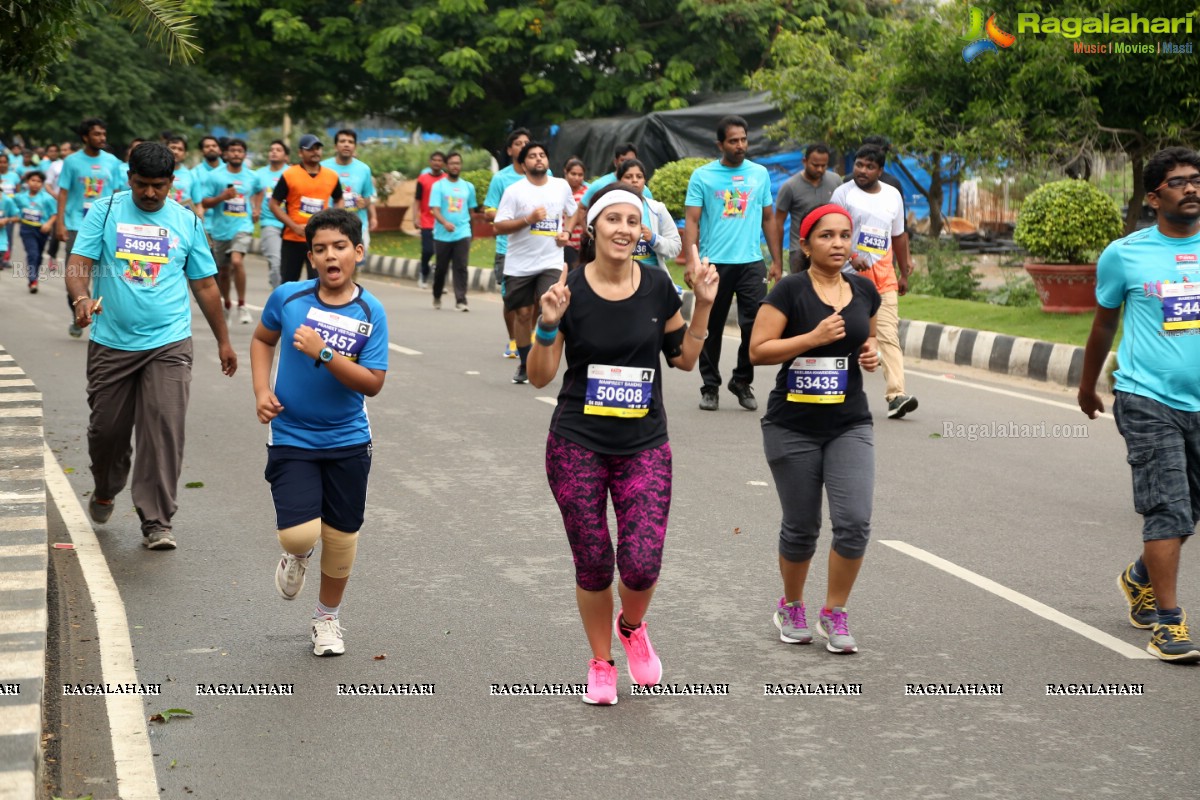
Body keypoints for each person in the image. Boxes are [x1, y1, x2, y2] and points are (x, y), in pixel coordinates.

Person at [527, 184, 719, 704]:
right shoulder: (568, 290)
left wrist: (701, 306)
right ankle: (601, 662)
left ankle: (632, 627)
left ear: (642, 232)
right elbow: (541, 377)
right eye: (612, 219)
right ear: (593, 229)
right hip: (576, 444)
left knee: (641, 562)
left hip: (644, 444)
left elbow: (681, 358)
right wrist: (547, 325)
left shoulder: (657, 285)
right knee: (593, 561)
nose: (622, 229)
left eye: (632, 222)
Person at [63, 142, 237, 550]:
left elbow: (206, 284)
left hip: (169, 342)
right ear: (130, 179)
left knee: (163, 428)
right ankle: (106, 486)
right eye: (142, 185)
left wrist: (224, 341)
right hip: (111, 342)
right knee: (107, 431)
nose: (149, 194)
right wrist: (81, 299)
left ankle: (157, 520)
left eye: (158, 186)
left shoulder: (186, 221)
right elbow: (78, 264)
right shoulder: (104, 211)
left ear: (172, 183)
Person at [1078, 146, 1200, 663]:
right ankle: (1169, 625)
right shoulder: (1124, 254)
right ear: (1154, 197)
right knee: (1167, 508)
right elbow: (1104, 323)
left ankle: (1139, 577)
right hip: (1147, 397)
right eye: (1179, 182)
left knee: (1190, 509)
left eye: (1197, 179)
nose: (1192, 188)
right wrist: (1088, 386)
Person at [250, 208, 388, 657]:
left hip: (348, 437)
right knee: (299, 535)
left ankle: (327, 618)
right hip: (291, 433)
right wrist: (259, 391)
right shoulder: (288, 298)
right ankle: (296, 557)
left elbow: (373, 382)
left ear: (358, 252)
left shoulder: (371, 311)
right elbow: (261, 340)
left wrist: (325, 352)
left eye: (340, 247)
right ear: (311, 257)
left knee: (342, 536)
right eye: (322, 249)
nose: (331, 255)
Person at [749, 203, 880, 655]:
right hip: (792, 426)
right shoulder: (789, 290)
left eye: (845, 235)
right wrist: (812, 339)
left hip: (849, 422)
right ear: (805, 244)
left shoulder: (864, 290)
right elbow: (758, 351)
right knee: (803, 526)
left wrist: (870, 353)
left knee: (855, 523)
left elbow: (867, 336)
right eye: (826, 236)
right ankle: (791, 605)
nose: (838, 244)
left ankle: (835, 612)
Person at [682, 114, 783, 412]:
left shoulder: (759, 174)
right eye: (733, 141)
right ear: (720, 144)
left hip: (752, 263)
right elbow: (692, 220)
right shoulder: (703, 176)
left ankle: (741, 380)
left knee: (754, 326)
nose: (740, 145)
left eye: (743, 140)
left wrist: (776, 260)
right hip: (714, 264)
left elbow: (768, 218)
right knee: (710, 325)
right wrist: (692, 260)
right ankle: (710, 385)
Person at [829, 144, 916, 419]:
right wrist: (851, 255)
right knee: (841, 334)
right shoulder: (842, 194)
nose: (862, 171)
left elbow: (898, 235)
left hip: (883, 278)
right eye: (859, 164)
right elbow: (831, 231)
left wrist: (903, 271)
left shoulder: (892, 195)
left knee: (888, 334)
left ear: (880, 171)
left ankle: (896, 395)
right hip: (847, 278)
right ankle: (831, 389)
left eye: (869, 167)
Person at [493, 140, 577, 384]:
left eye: (542, 155)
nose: (538, 159)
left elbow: (573, 212)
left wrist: (567, 233)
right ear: (523, 163)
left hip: (551, 260)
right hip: (519, 264)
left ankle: (546, 357)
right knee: (522, 313)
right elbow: (499, 226)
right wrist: (527, 219)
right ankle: (525, 362)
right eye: (532, 156)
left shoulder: (560, 186)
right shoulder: (515, 191)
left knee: (547, 305)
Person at [55, 118, 123, 337]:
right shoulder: (72, 162)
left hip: (106, 227)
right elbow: (63, 193)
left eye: (104, 134)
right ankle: (79, 310)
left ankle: (105, 321)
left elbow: (118, 194)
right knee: (74, 274)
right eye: (97, 134)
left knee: (109, 275)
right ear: (85, 137)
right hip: (77, 225)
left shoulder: (112, 161)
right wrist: (60, 222)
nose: (102, 138)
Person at [200, 138, 262, 324]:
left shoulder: (252, 176)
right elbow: (205, 202)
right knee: (224, 272)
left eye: (240, 150)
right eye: (232, 150)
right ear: (225, 154)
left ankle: (242, 305)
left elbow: (259, 190)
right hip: (221, 229)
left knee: (237, 261)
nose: (236, 154)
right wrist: (223, 197)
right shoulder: (216, 176)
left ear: (244, 154)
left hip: (243, 226)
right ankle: (227, 304)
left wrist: (256, 208)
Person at [269, 134, 343, 283]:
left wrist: (335, 219)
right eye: (310, 149)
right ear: (300, 153)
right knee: (289, 283)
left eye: (318, 148)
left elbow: (339, 199)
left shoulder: (331, 176)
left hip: (320, 240)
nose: (315, 152)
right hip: (293, 239)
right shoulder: (290, 174)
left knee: (319, 282)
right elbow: (273, 204)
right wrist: (294, 226)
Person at [485, 128, 533, 359]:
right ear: (510, 150)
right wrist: (513, 219)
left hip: (537, 247)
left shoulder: (544, 174)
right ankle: (513, 339)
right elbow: (489, 211)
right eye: (518, 143)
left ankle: (529, 335)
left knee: (538, 298)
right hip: (508, 247)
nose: (523, 146)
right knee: (512, 299)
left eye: (527, 142)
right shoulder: (501, 178)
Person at [775, 143, 841, 273]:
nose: (820, 169)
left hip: (829, 248)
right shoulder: (790, 187)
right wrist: (777, 261)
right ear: (804, 162)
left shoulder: (836, 181)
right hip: (801, 252)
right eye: (815, 165)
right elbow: (778, 223)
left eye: (824, 165)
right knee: (802, 291)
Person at [614, 158, 681, 276]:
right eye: (629, 177)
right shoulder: (610, 210)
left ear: (644, 180)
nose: (634, 180)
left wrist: (653, 239)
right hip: (618, 279)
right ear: (619, 180)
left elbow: (675, 247)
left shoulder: (657, 209)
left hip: (652, 281)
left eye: (639, 176)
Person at [428, 152, 477, 311]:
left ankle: (461, 300)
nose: (455, 166)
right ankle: (437, 295)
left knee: (461, 266)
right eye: (452, 163)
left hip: (463, 232)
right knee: (441, 268)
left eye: (458, 163)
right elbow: (434, 210)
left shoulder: (468, 186)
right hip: (442, 235)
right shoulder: (439, 186)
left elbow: (471, 211)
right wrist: (445, 223)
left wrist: (472, 231)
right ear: (446, 166)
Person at [321, 129, 377, 264]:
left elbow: (369, 197)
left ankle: (350, 285)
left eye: (350, 142)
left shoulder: (364, 169)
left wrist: (366, 204)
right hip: (328, 224)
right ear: (335, 146)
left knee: (355, 264)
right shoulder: (323, 167)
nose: (346, 144)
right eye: (342, 141)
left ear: (355, 147)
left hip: (356, 224)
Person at [14, 170, 58, 292]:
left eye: (39, 181)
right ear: (27, 182)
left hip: (42, 231)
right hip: (27, 229)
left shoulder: (47, 199)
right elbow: (13, 208)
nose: (35, 184)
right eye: (33, 180)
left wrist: (48, 224)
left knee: (38, 255)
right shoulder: (20, 197)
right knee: (32, 253)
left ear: (42, 184)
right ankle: (32, 279)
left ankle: (35, 277)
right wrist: (15, 217)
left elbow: (55, 213)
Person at [255, 139, 290, 289]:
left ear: (286, 156)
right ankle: (279, 295)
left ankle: (278, 283)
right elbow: (252, 193)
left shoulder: (292, 173)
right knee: (276, 262)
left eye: (278, 149)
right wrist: (255, 208)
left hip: (290, 224)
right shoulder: (259, 174)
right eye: (272, 149)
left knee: (285, 264)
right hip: (269, 222)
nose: (274, 152)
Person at [579, 143, 656, 208]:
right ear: (615, 162)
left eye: (631, 160)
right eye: (623, 160)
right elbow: (582, 208)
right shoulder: (600, 185)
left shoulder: (644, 191)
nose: (634, 180)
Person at [414, 151, 446, 288]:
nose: (437, 163)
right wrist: (415, 218)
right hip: (427, 220)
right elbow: (417, 200)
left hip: (443, 221)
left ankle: (439, 281)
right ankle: (423, 272)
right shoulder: (422, 179)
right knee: (428, 250)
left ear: (443, 163)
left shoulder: (446, 179)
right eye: (435, 160)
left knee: (442, 253)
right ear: (430, 162)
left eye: (440, 160)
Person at [562, 157, 588, 269]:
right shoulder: (559, 191)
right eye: (573, 174)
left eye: (580, 175)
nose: (577, 178)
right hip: (566, 242)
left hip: (583, 242)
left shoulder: (587, 194)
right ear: (566, 173)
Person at [165, 135, 199, 215]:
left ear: (185, 154)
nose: (176, 152)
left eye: (180, 149)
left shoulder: (192, 175)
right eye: (173, 148)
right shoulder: (155, 171)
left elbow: (198, 204)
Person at [0, 152, 22, 270]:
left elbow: (18, 194)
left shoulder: (14, 176)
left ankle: (5, 258)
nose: (3, 164)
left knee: (8, 233)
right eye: (0, 162)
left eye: (5, 162)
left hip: (9, 210)